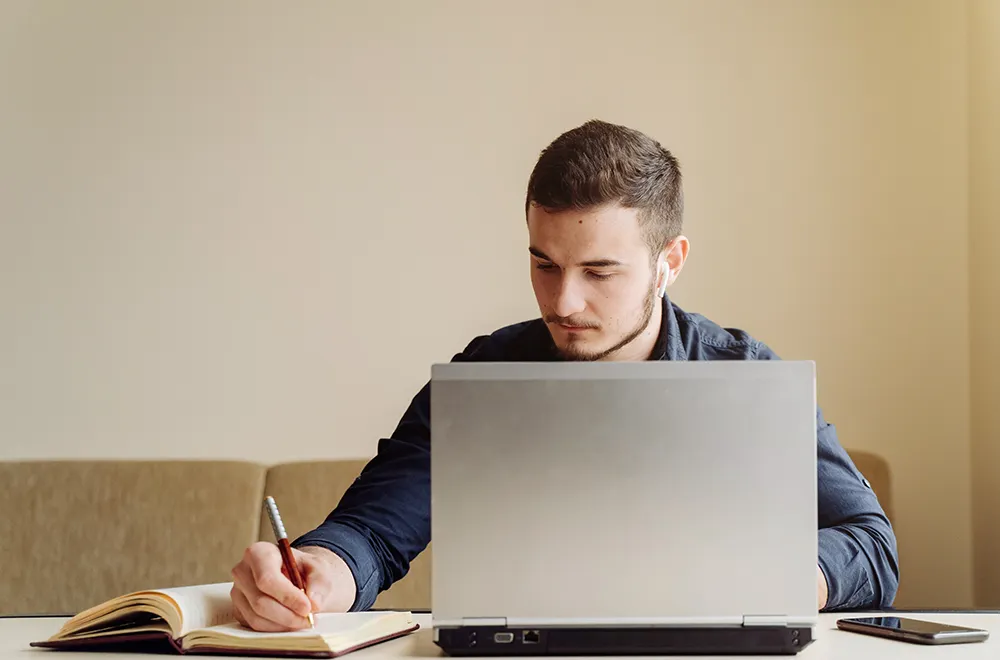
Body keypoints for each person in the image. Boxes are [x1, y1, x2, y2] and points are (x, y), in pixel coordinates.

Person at [229, 119, 900, 632]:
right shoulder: (485, 376)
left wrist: (781, 578)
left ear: (671, 260)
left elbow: (871, 548)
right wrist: (323, 573)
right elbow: (374, 531)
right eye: (544, 264)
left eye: (599, 272)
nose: (563, 301)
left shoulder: (746, 375)